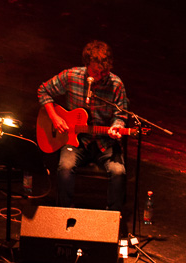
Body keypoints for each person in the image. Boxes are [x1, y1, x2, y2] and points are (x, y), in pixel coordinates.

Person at [37, 40, 128, 215]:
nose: (100, 76)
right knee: (64, 169)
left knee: (118, 172)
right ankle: (65, 215)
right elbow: (43, 90)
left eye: (104, 72)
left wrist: (117, 127)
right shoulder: (71, 76)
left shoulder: (116, 84)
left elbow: (120, 115)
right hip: (75, 140)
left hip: (104, 142)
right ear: (86, 65)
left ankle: (112, 218)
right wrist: (55, 117)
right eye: (95, 72)